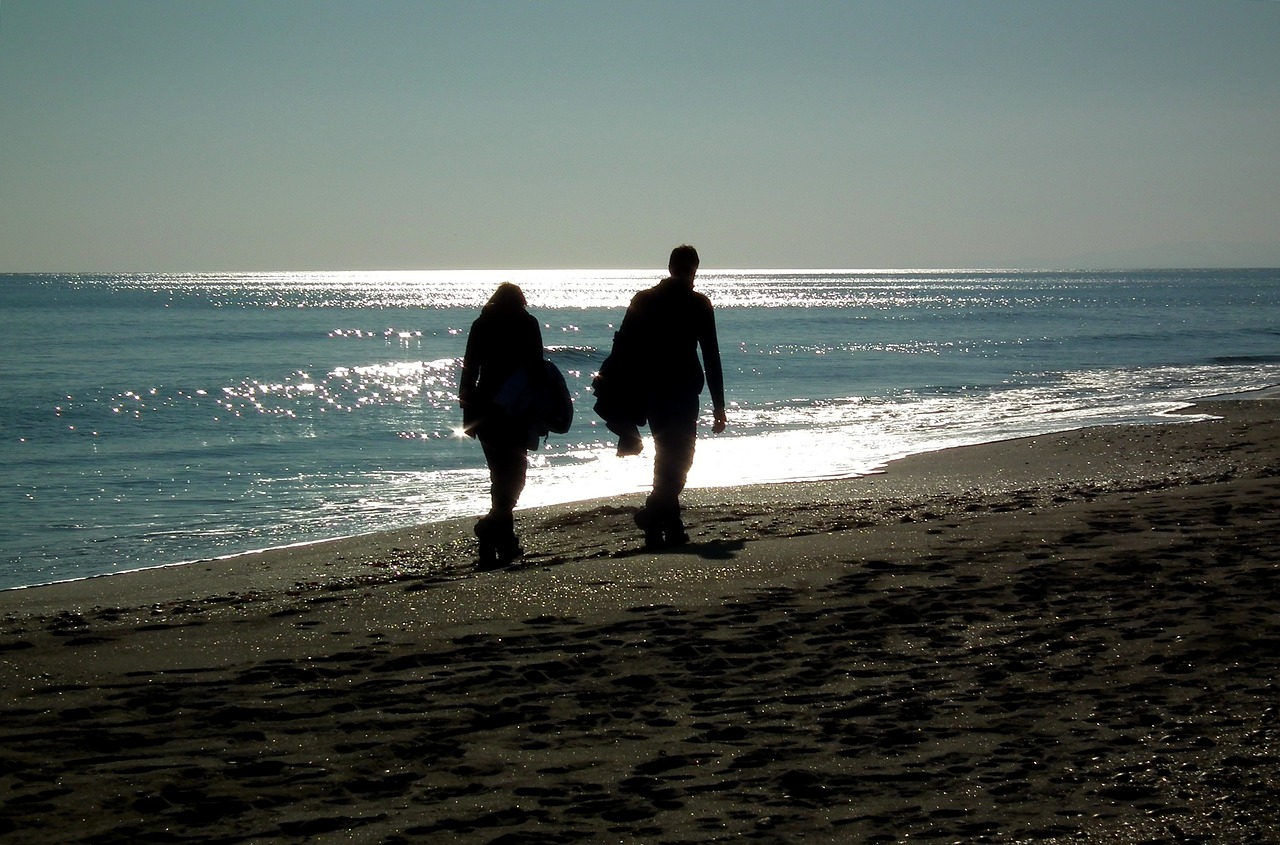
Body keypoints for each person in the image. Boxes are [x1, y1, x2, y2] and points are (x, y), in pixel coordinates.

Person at [609, 244, 727, 548]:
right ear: (693, 270)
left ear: (671, 267)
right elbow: (711, 356)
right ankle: (653, 515)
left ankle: (666, 527)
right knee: (680, 459)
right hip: (680, 390)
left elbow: (621, 348)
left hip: (652, 390)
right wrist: (719, 406)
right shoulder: (699, 304)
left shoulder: (645, 300)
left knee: (667, 456)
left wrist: (619, 391)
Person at [458, 282, 546, 565]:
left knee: (500, 475)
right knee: (515, 475)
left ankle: (498, 538)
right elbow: (537, 368)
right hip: (517, 408)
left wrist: (467, 412)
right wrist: (541, 408)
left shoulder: (482, 323)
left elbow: (470, 367)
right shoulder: (527, 323)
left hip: (486, 408)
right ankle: (494, 532)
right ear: (521, 301)